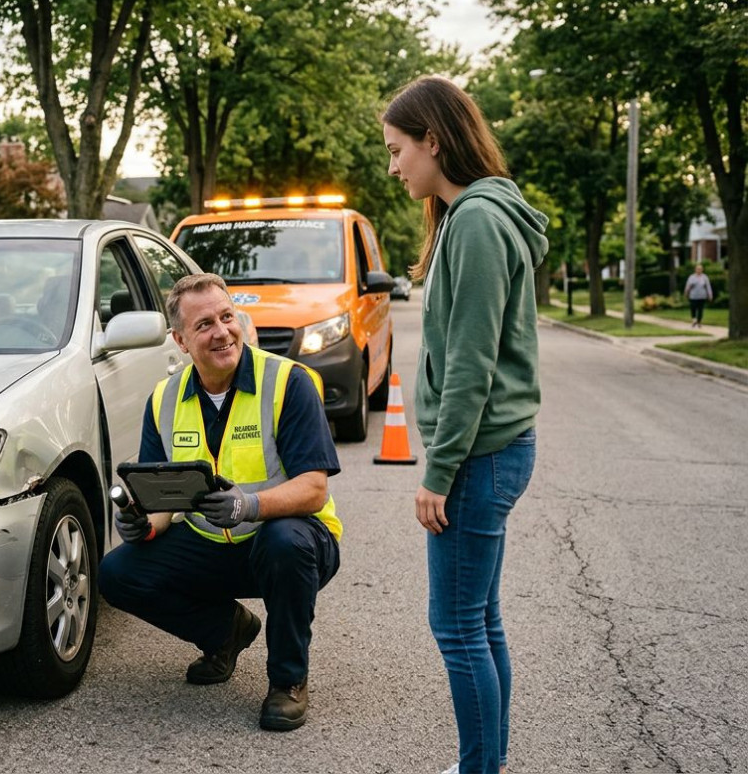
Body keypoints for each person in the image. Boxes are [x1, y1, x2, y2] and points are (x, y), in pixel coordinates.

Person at [382, 75, 548, 774]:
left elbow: (472, 364)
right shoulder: (468, 216)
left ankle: (481, 767)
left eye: (398, 150)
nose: (394, 166)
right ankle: (491, 760)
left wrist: (437, 472)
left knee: (456, 625)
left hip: (479, 456)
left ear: (434, 140)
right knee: (479, 618)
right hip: (495, 451)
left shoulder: (478, 221)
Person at [99, 272, 342, 732]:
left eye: (227, 317)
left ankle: (288, 681)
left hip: (291, 541)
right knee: (117, 573)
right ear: (180, 340)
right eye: (204, 324)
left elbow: (314, 488)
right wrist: (143, 525)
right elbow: (162, 499)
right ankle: (225, 632)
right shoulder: (164, 400)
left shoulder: (288, 382)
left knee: (284, 542)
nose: (222, 332)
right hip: (211, 542)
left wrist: (249, 506)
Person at [684, 264, 713, 328]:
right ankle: (694, 319)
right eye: (697, 269)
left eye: (700, 269)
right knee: (693, 308)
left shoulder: (705, 277)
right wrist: (686, 292)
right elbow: (687, 286)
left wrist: (710, 294)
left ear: (702, 270)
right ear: (695, 269)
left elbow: (708, 287)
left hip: (702, 296)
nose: (699, 270)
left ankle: (699, 322)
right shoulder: (691, 277)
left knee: (700, 310)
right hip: (693, 296)